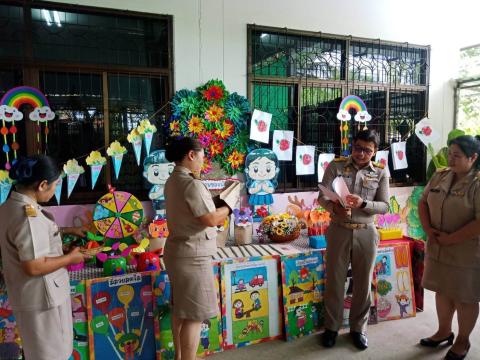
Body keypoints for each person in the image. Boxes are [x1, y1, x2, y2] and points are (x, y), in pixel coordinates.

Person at [0, 155, 90, 360]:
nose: (54, 191)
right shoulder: (27, 215)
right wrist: (70, 259)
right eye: (55, 186)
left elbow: (31, 241)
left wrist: (67, 231)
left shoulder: (9, 207)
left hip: (28, 296)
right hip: (43, 301)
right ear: (42, 185)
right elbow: (33, 265)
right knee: (51, 354)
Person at [163, 137, 235, 360]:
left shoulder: (173, 180)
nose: (203, 162)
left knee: (181, 310)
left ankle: (179, 356)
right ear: (191, 155)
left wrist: (218, 199)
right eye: (202, 156)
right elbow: (211, 219)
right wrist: (230, 205)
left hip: (177, 253)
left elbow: (195, 209)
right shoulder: (191, 184)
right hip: (192, 257)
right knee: (194, 316)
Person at [318, 129, 389, 350]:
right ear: (352, 146)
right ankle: (331, 328)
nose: (361, 154)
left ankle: (358, 329)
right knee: (335, 283)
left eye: (367, 150)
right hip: (339, 229)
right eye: (358, 148)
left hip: (367, 232)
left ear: (375, 151)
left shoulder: (380, 172)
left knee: (362, 284)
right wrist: (335, 207)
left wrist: (363, 204)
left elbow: (385, 206)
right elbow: (321, 197)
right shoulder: (336, 166)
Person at [418, 135, 480, 360]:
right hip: (438, 247)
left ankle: (463, 340)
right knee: (442, 291)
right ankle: (444, 331)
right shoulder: (440, 175)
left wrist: (450, 239)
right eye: (449, 154)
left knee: (465, 297)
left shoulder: (477, 182)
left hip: (467, 253)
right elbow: (423, 201)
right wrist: (428, 229)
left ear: (473, 158)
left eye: (457, 156)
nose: (451, 160)